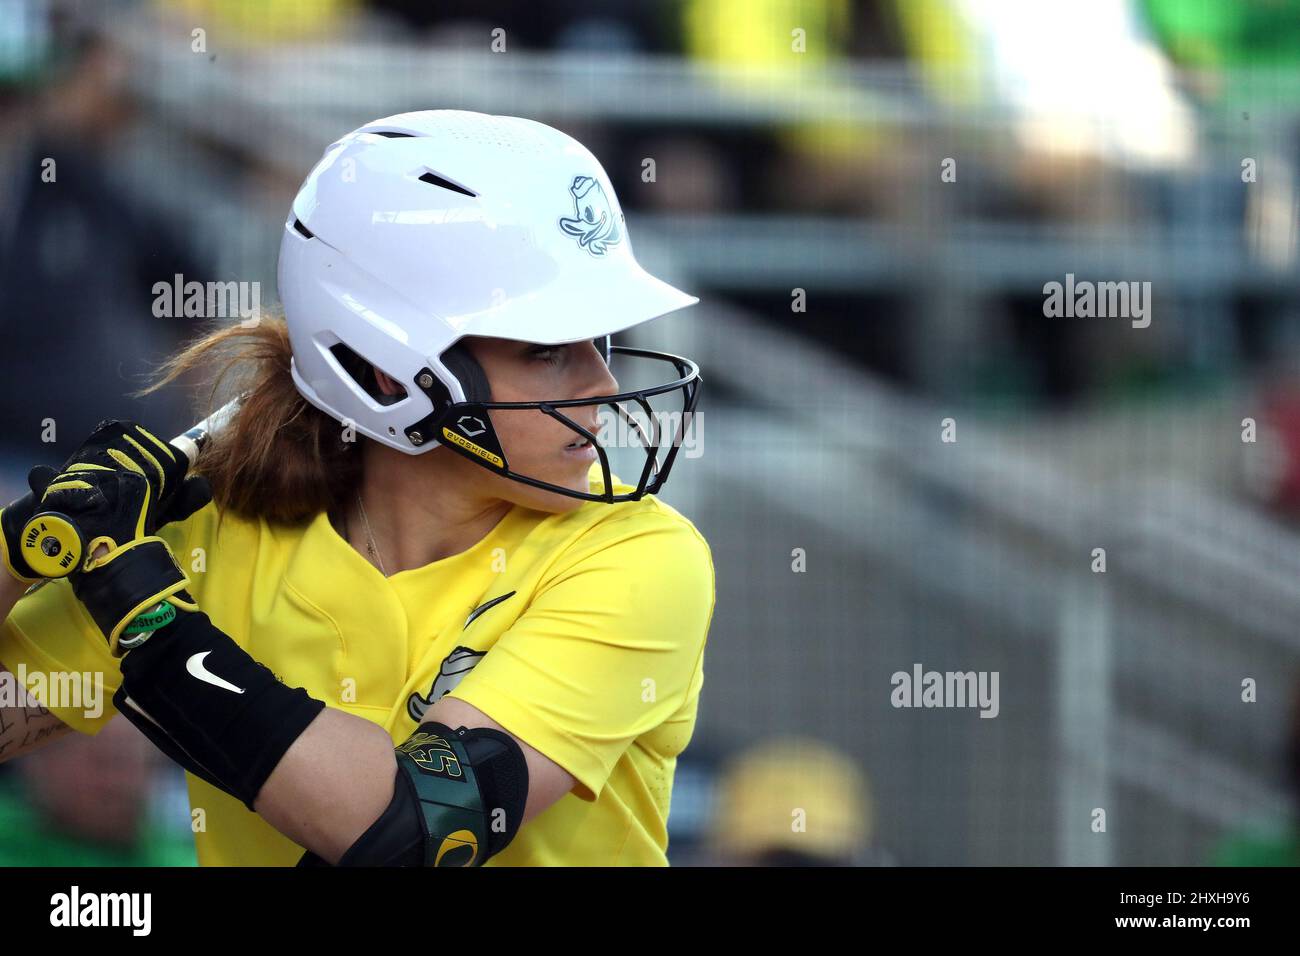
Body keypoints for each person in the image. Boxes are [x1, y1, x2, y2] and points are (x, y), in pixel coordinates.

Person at [0, 110, 715, 866]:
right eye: (548, 352)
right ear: (387, 370)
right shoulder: (212, 540)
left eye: (596, 343)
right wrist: (19, 553)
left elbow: (419, 831)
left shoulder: (642, 556)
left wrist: (157, 637)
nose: (603, 389)